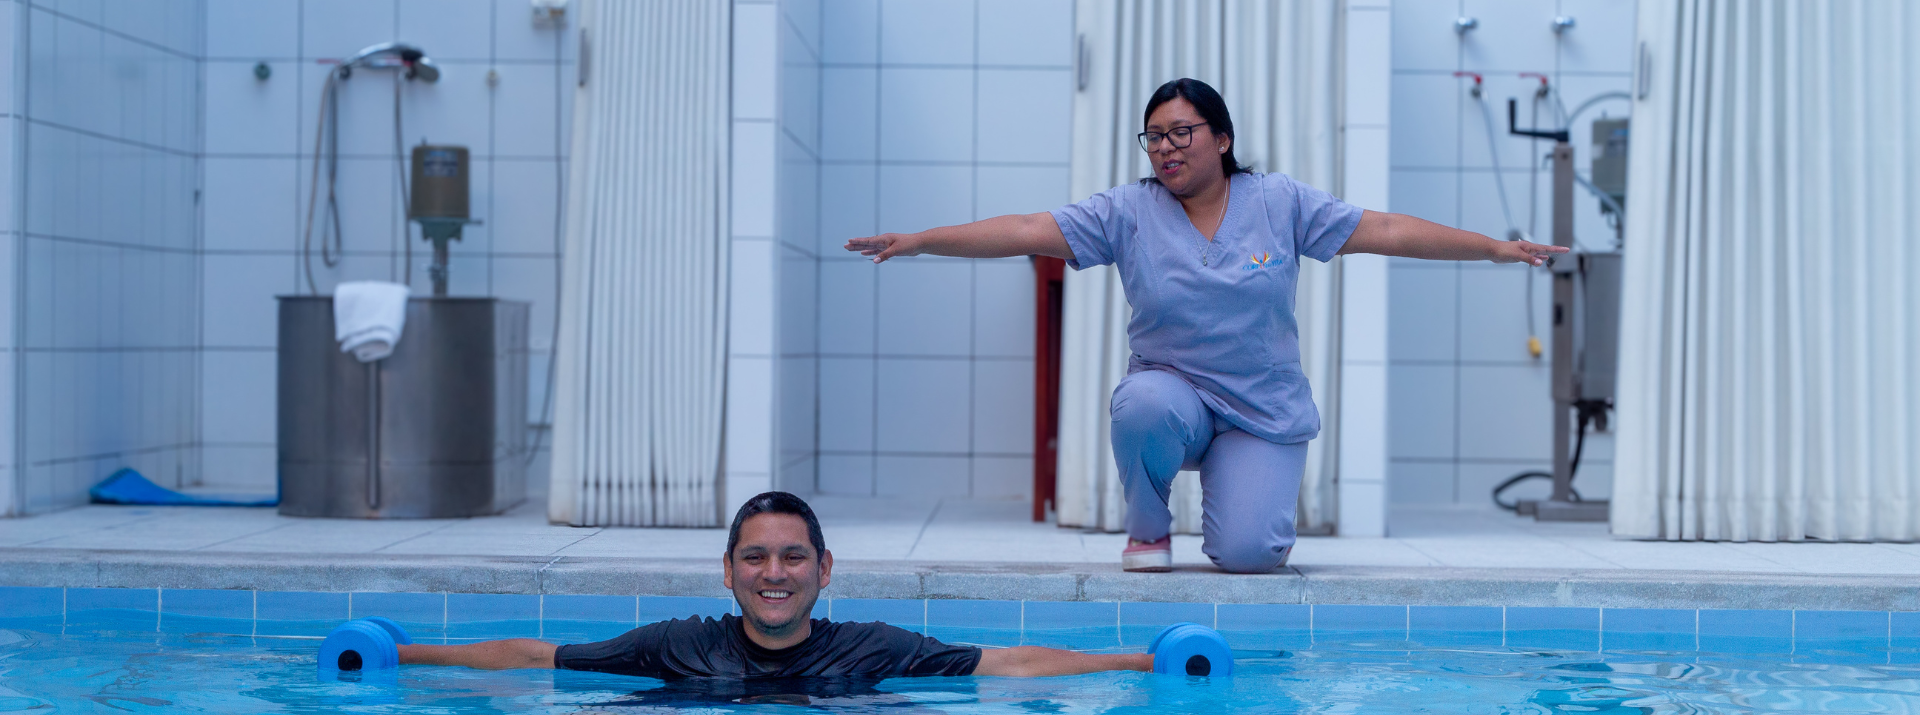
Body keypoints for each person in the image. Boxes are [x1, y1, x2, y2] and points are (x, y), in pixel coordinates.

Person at [845, 78, 1565, 575]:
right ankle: (1148, 525)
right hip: (1174, 399)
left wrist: (1496, 246)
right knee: (1144, 402)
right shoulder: (1127, 210)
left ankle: (1235, 501)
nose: (1165, 148)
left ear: (1221, 138)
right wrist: (920, 238)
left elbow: (1384, 229)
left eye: (1181, 132)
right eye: (1153, 136)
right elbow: (1030, 225)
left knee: (1252, 554)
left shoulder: (1279, 201)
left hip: (1261, 411)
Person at [396, 491, 1151, 678]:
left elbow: (1010, 662)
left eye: (793, 557)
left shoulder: (870, 650)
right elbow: (536, 657)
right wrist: (399, 655)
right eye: (755, 558)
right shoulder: (677, 645)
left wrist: (1147, 663)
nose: (774, 575)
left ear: (824, 569)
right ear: (727, 571)